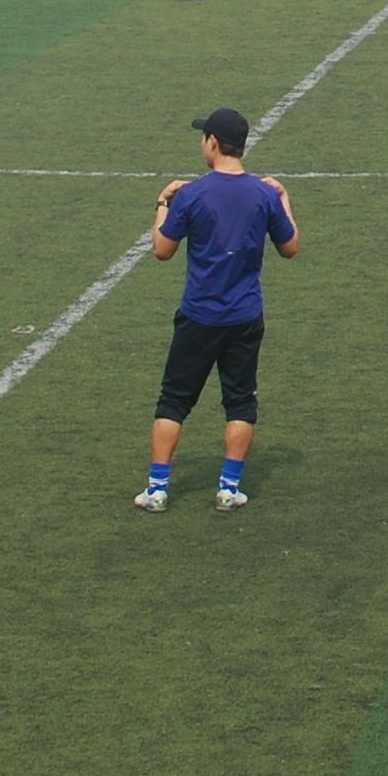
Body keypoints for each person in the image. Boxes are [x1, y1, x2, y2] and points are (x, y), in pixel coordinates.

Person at [140, 108, 299, 511]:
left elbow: (162, 249)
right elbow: (290, 247)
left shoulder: (192, 194)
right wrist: (284, 200)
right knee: (240, 402)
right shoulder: (264, 194)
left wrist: (162, 203)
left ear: (213, 142)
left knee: (174, 400)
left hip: (199, 315)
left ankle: (157, 489)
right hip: (244, 317)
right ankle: (229, 488)